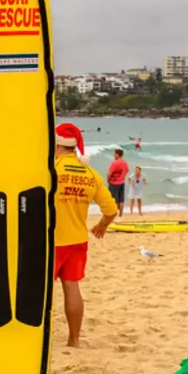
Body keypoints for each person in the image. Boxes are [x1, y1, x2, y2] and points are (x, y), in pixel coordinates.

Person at [53, 123, 118, 347]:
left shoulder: (51, 170)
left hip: (50, 241)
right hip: (77, 239)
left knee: (40, 293)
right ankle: (74, 340)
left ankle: (38, 339)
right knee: (72, 287)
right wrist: (102, 225)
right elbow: (111, 210)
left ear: (56, 144)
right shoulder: (89, 173)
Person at [106, 148, 129, 216]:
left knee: (114, 199)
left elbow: (109, 173)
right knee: (121, 199)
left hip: (114, 183)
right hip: (122, 182)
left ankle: (114, 214)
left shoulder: (114, 163)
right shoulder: (125, 162)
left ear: (117, 155)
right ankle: (121, 214)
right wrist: (122, 177)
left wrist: (108, 180)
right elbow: (127, 170)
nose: (113, 155)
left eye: (114, 154)